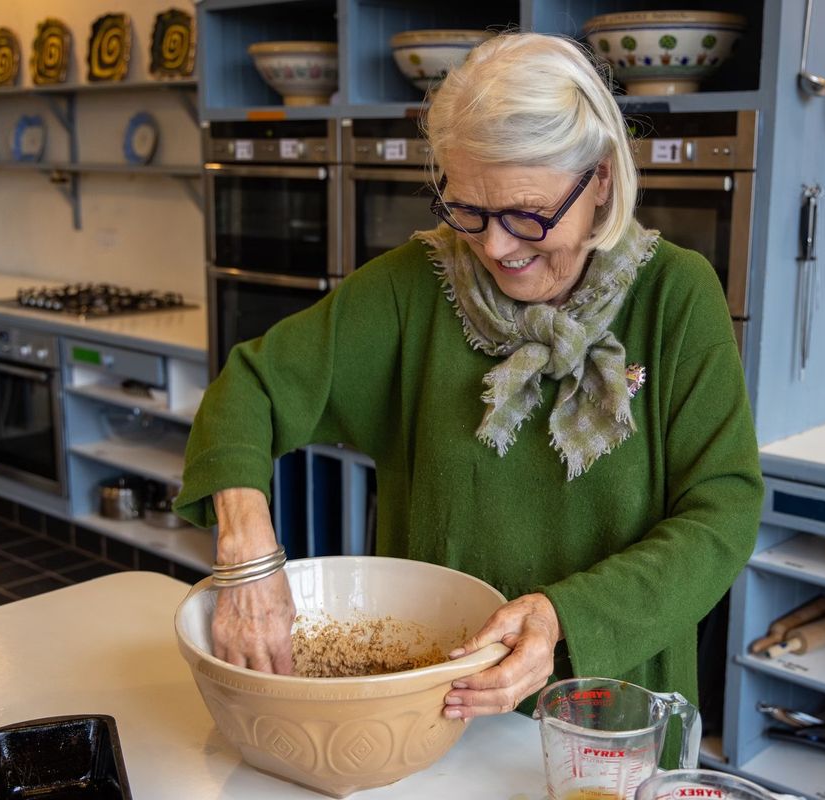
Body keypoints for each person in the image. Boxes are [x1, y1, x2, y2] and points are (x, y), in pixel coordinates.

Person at [175, 32, 762, 727]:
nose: (495, 248)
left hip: (610, 704)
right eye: (469, 211)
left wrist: (560, 615)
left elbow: (721, 511)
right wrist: (247, 553)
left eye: (526, 215)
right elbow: (252, 387)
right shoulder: (416, 287)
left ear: (601, 178)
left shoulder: (675, 296)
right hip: (431, 704)